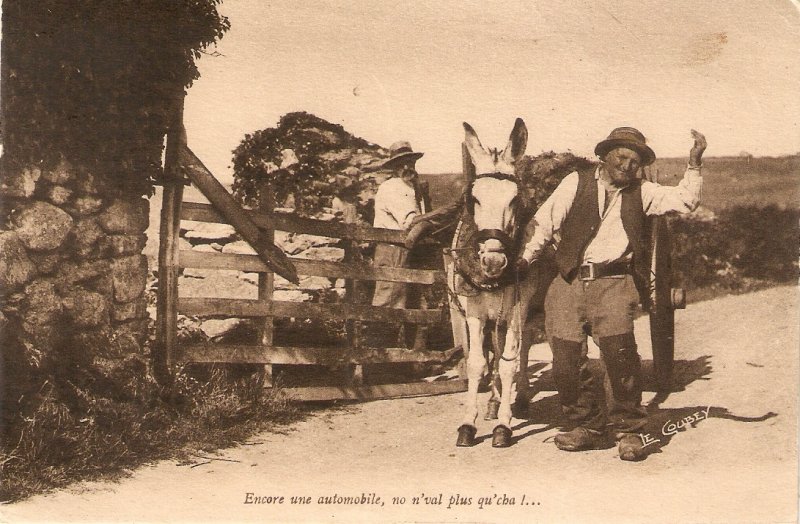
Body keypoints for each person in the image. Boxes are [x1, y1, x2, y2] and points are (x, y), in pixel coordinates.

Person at [516, 127, 707, 461]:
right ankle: (585, 425)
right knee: (565, 361)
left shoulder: (643, 192)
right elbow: (544, 226)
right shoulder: (575, 182)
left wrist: (694, 163)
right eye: (621, 157)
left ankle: (629, 429)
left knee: (621, 358)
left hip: (615, 283)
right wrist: (524, 260)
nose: (627, 166)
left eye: (635, 161)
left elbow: (687, 200)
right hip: (568, 281)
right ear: (604, 156)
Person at [371, 141, 429, 347]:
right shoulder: (393, 187)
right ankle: (377, 362)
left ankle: (414, 361)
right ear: (394, 168)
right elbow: (410, 221)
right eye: (401, 164)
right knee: (389, 304)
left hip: (409, 250)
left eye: (410, 162)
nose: (407, 167)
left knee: (414, 305)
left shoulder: (412, 188)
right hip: (393, 249)